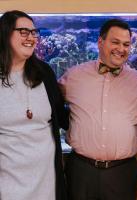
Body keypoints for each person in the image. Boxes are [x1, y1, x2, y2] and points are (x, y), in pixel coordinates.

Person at [59, 19, 137, 200]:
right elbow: (50, 105)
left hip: (122, 172)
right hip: (81, 170)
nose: (121, 48)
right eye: (115, 42)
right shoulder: (74, 76)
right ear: (100, 42)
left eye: (126, 44)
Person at [0, 10, 69, 200]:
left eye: (34, 32)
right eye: (23, 31)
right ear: (5, 34)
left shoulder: (44, 72)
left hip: (47, 184)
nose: (31, 37)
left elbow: (62, 118)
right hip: (8, 187)